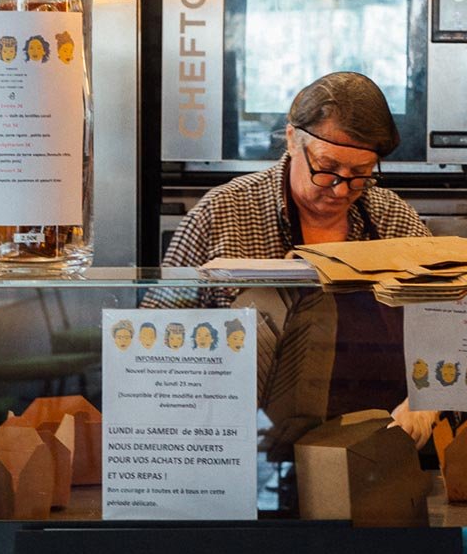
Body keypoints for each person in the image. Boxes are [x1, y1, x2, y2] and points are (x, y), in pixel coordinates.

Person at [158, 72, 436, 445]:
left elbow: (444, 328)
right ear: (292, 139)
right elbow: (158, 338)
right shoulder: (221, 214)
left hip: (377, 451)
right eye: (327, 168)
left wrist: (426, 403)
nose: (341, 188)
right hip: (244, 448)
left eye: (360, 174)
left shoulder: (393, 219)